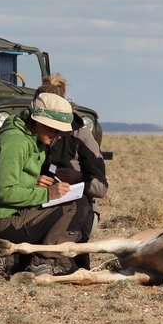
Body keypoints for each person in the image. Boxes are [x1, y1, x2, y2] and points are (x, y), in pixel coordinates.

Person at [0, 92, 79, 277]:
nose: (58, 135)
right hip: (0, 220)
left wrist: (34, 183)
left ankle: (7, 256)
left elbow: (14, 180)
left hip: (5, 218)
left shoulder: (31, 139)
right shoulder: (16, 142)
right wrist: (48, 194)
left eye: (60, 132)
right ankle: (43, 261)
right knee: (70, 206)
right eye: (53, 129)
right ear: (37, 121)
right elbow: (5, 193)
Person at [37, 74, 108, 266]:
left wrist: (79, 179)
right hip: (39, 204)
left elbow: (101, 188)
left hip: (79, 211)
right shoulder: (31, 135)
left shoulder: (80, 135)